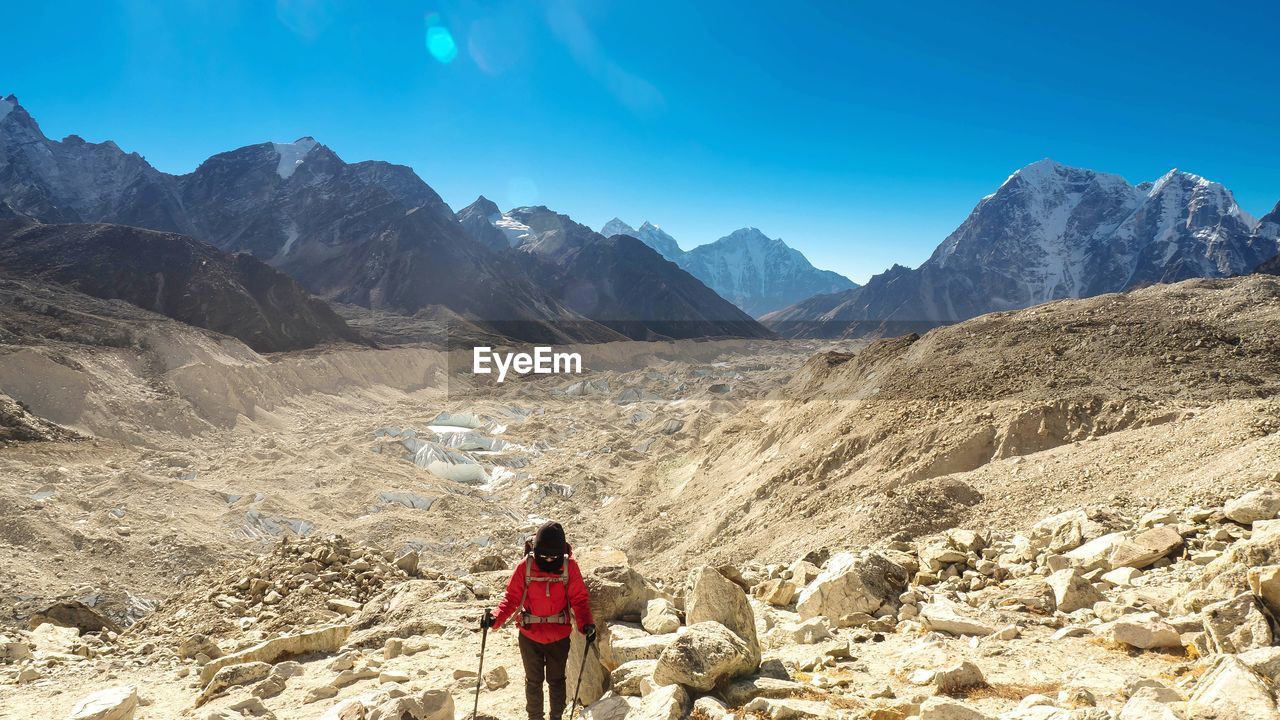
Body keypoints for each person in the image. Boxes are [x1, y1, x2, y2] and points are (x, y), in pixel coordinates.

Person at [483, 521, 596, 720]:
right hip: (530, 636)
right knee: (533, 681)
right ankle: (535, 718)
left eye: (555, 556)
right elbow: (511, 599)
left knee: (557, 681)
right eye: (545, 556)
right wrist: (494, 618)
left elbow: (579, 599)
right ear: (536, 550)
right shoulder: (525, 567)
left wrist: (587, 624)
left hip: (558, 637)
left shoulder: (570, 567)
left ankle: (556, 717)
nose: (550, 560)